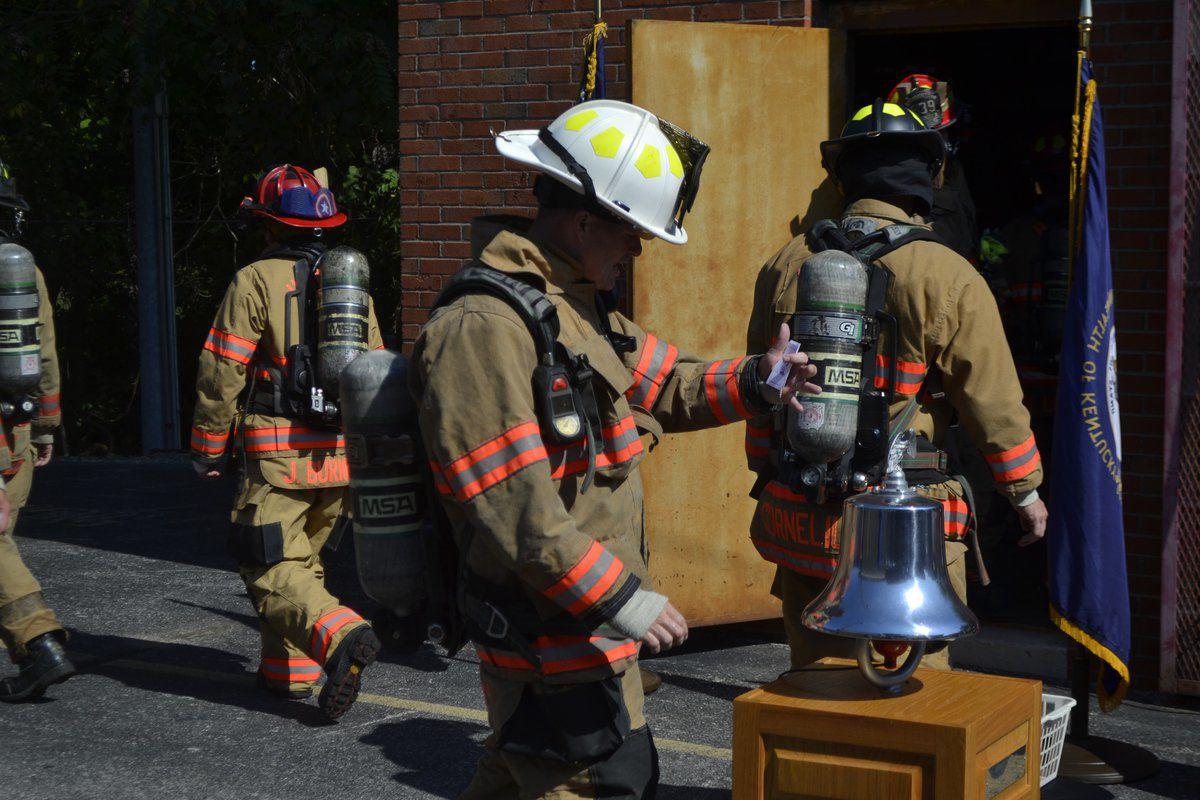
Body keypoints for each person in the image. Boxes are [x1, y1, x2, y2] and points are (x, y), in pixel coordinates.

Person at [409, 99, 817, 799]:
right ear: (583, 222)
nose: (637, 250)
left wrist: (760, 381)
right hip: (551, 641)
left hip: (589, 637)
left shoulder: (572, 306)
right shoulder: (483, 328)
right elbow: (514, 510)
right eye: (630, 234)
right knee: (601, 779)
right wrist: (624, 599)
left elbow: (664, 384)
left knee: (545, 775)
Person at [745, 101, 1049, 671]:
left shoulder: (784, 264)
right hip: (905, 528)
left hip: (803, 518)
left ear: (844, 176)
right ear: (926, 181)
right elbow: (995, 405)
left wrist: (767, 466)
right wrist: (1024, 494)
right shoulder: (949, 274)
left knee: (814, 694)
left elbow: (761, 388)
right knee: (909, 704)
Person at [190, 164, 384, 719]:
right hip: (340, 458)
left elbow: (221, 368)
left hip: (279, 456)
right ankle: (287, 675)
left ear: (268, 224)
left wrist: (208, 446)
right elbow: (373, 369)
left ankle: (341, 635)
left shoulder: (254, 278)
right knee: (304, 563)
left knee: (267, 565)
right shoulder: (354, 290)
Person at [0, 158, 73, 702]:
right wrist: (45, 427)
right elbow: (43, 355)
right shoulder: (23, 270)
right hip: (15, 434)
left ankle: (38, 641)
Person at [888, 73, 978, 261]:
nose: (939, 146)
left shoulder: (955, 173)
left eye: (942, 134)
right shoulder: (890, 191)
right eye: (925, 140)